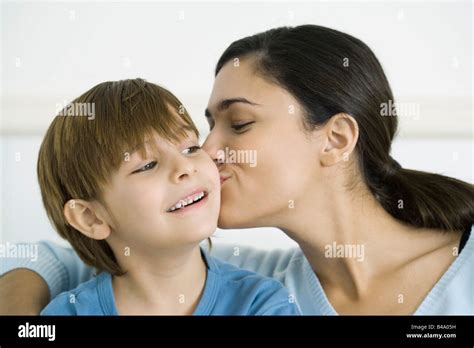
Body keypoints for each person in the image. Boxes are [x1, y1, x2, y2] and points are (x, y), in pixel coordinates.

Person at [1, 25, 473, 315]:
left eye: (240, 123)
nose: (205, 152)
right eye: (207, 127)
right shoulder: (247, 279)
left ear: (335, 139)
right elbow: (54, 257)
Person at [31, 78, 298, 315]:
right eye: (147, 165)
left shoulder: (262, 304)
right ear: (91, 217)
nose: (185, 167)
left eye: (191, 148)